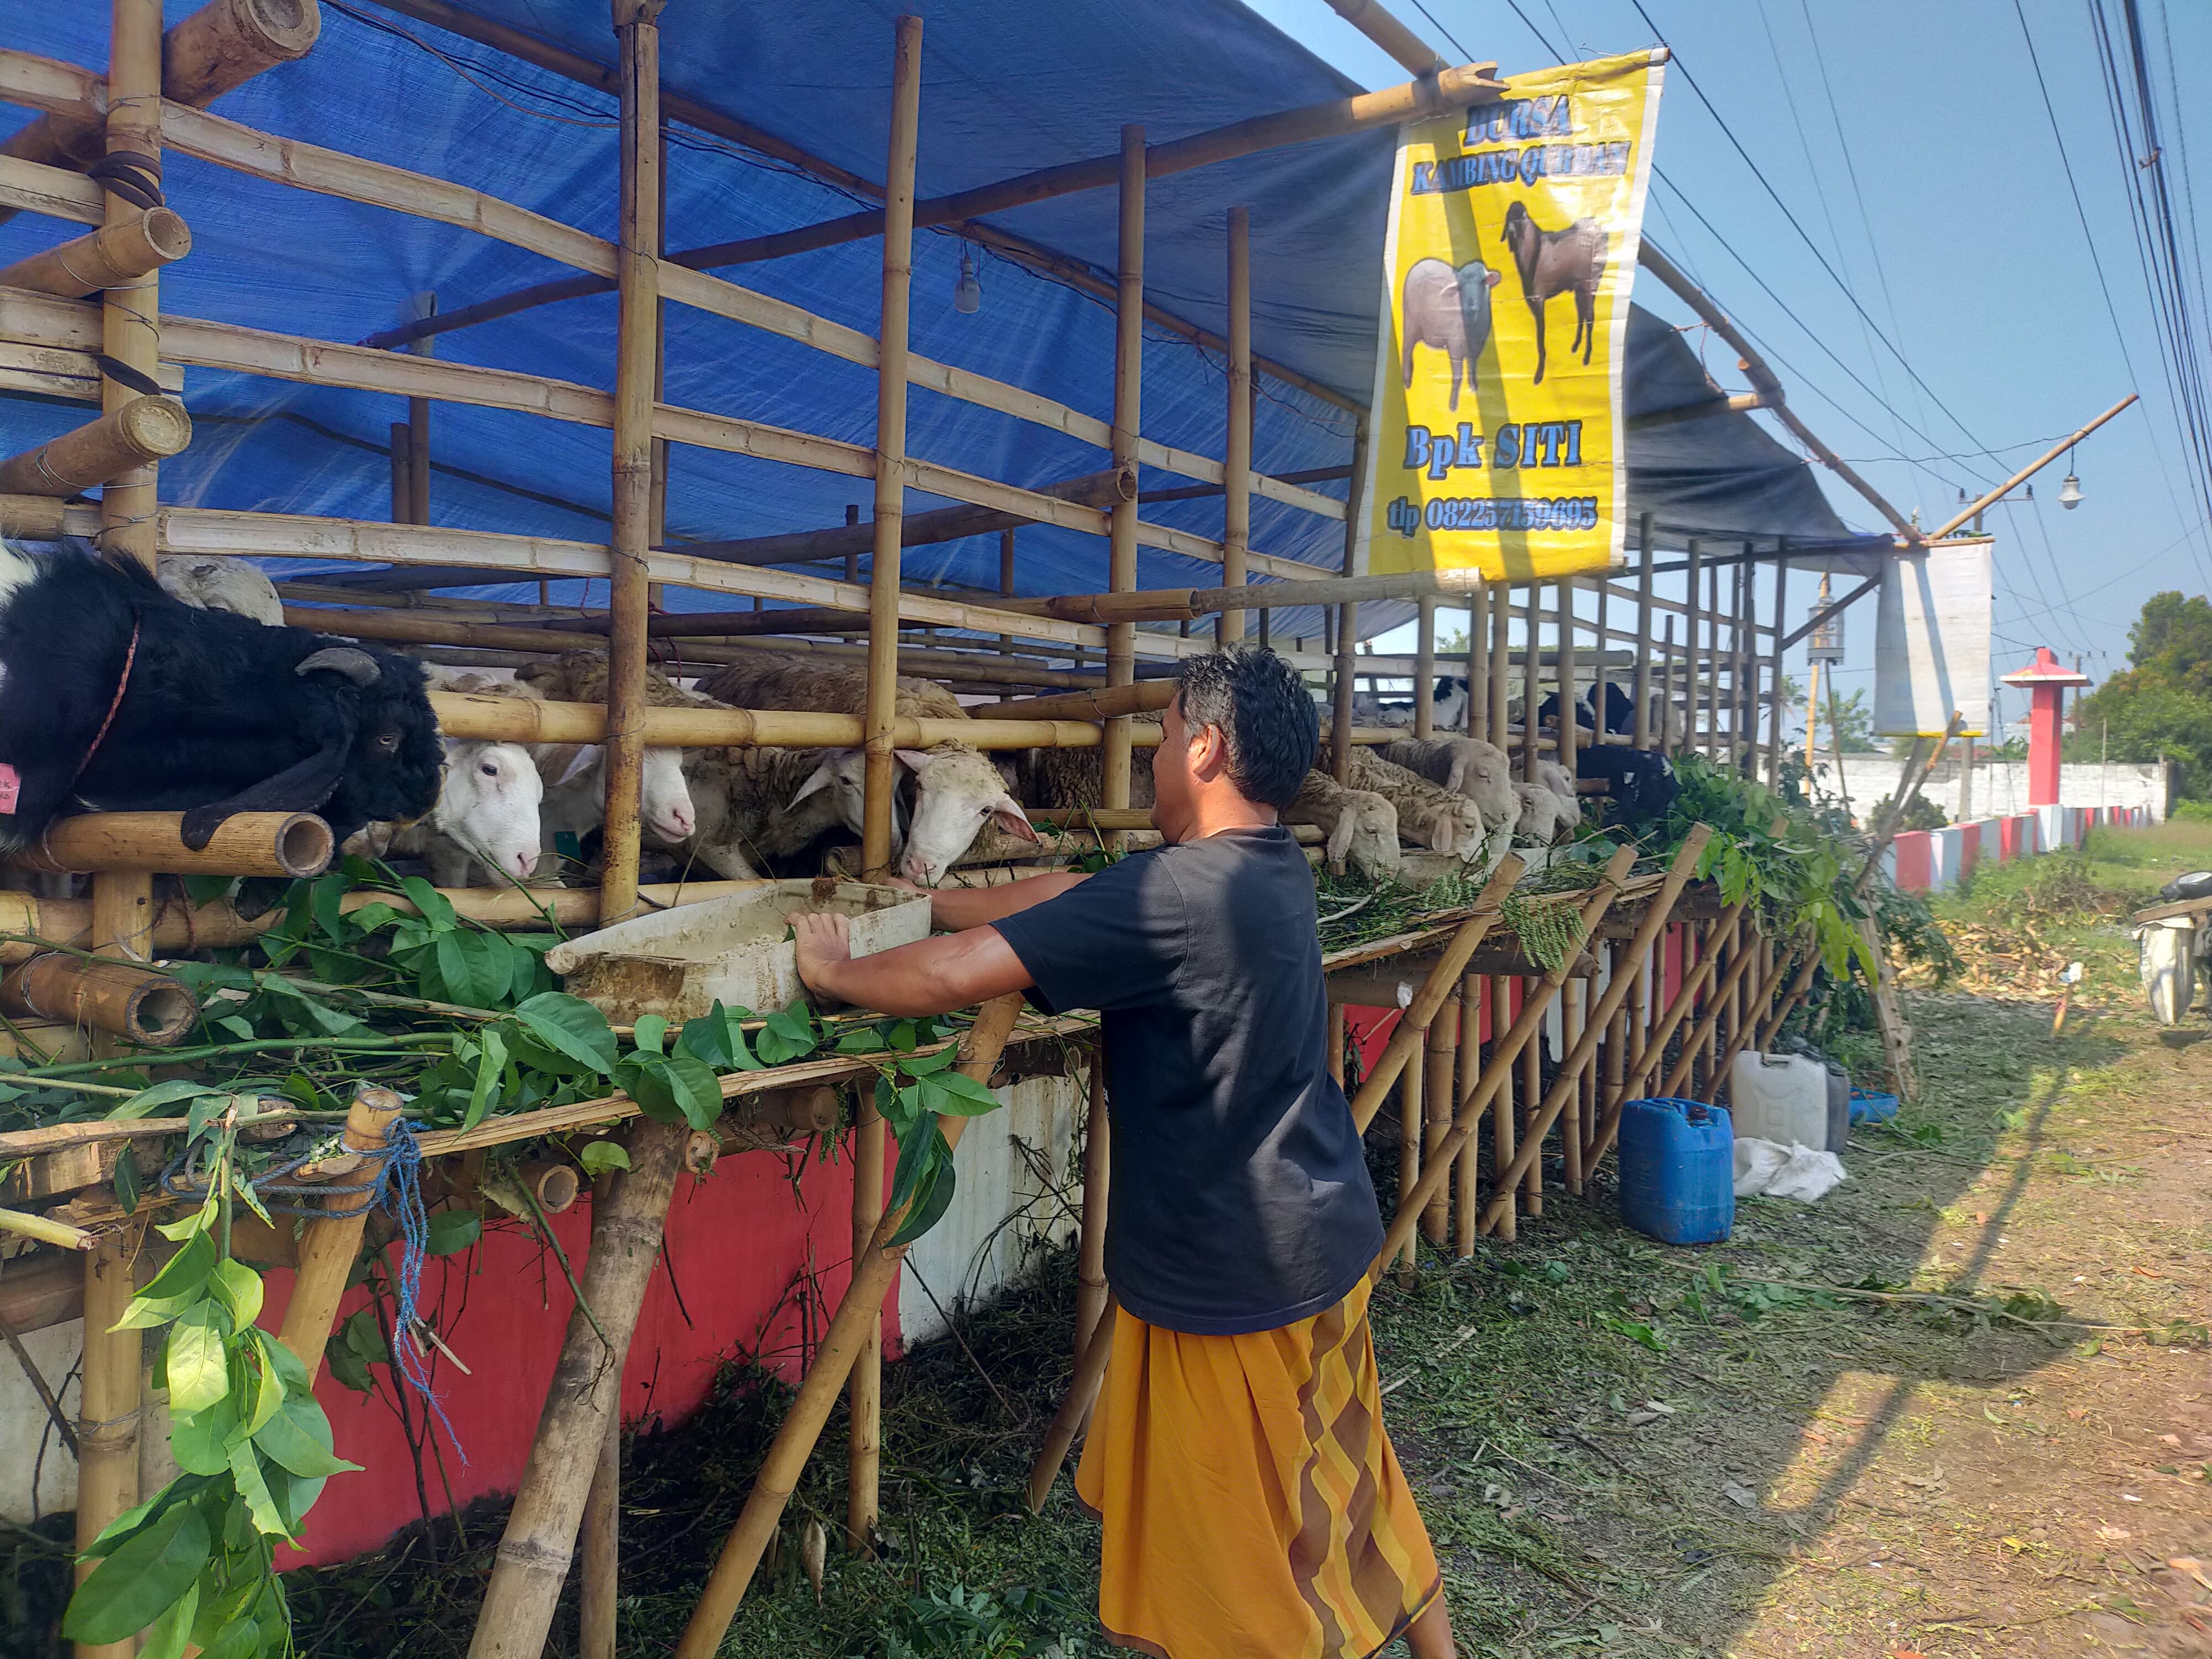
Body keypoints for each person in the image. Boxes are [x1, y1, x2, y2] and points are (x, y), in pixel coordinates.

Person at [790, 645, 1456, 1659]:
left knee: (1228, 1581)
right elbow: (1061, 895)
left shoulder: (1175, 898)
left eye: (1159, 737)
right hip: (1322, 1236)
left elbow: (955, 979)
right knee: (1350, 1478)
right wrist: (916, 903)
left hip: (1233, 1277)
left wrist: (839, 972)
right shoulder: (1268, 868)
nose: (1149, 760)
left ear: (1204, 745)